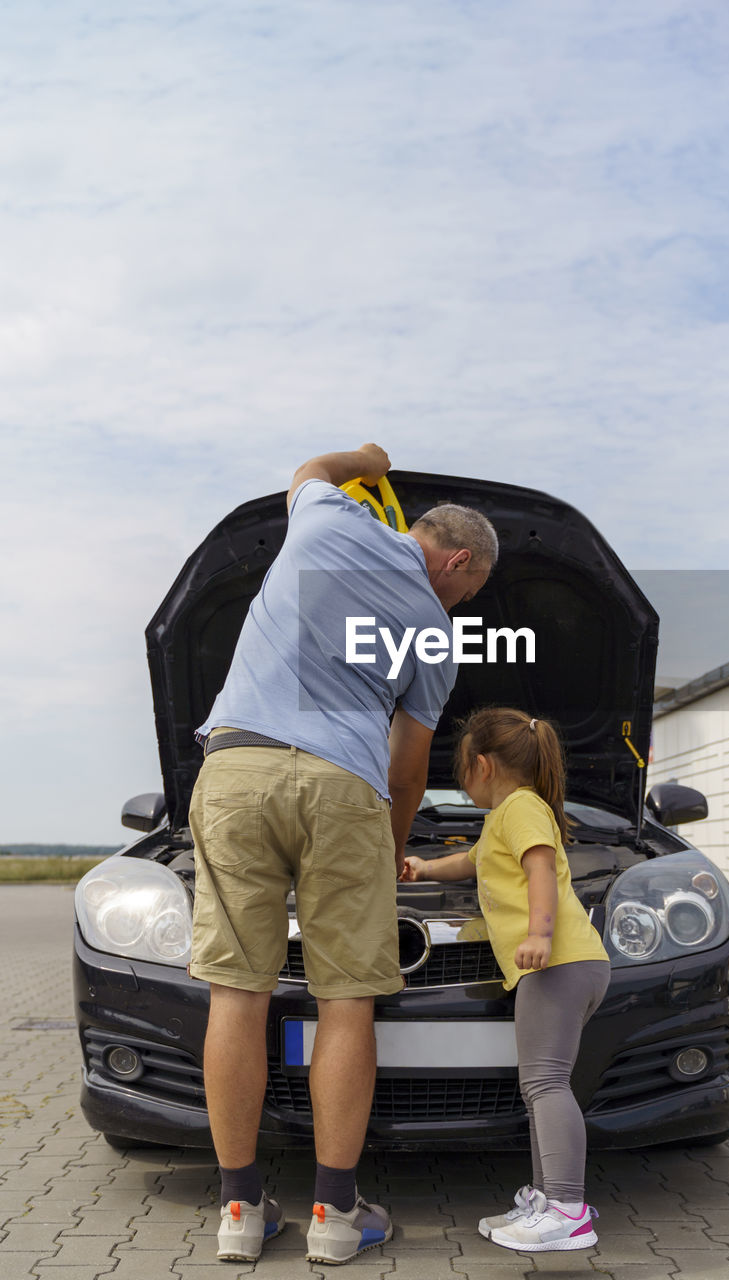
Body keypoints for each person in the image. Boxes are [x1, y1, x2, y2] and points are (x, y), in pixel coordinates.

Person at [187, 443, 497, 1265]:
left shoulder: (326, 518)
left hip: (238, 768)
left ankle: (240, 1212)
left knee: (236, 993)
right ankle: (332, 1213)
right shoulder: (433, 631)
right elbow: (407, 767)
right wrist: (390, 854)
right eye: (468, 590)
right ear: (457, 559)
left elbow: (308, 470)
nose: (460, 603)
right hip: (344, 788)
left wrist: (368, 455)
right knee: (347, 1000)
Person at [402, 707, 611, 1254]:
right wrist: (424, 867)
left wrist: (540, 934)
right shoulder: (509, 814)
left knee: (546, 1083)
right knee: (539, 1084)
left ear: (482, 764)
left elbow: (540, 868)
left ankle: (568, 1209)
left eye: (460, 765)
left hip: (557, 962)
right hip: (562, 966)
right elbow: (473, 861)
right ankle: (548, 1201)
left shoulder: (521, 809)